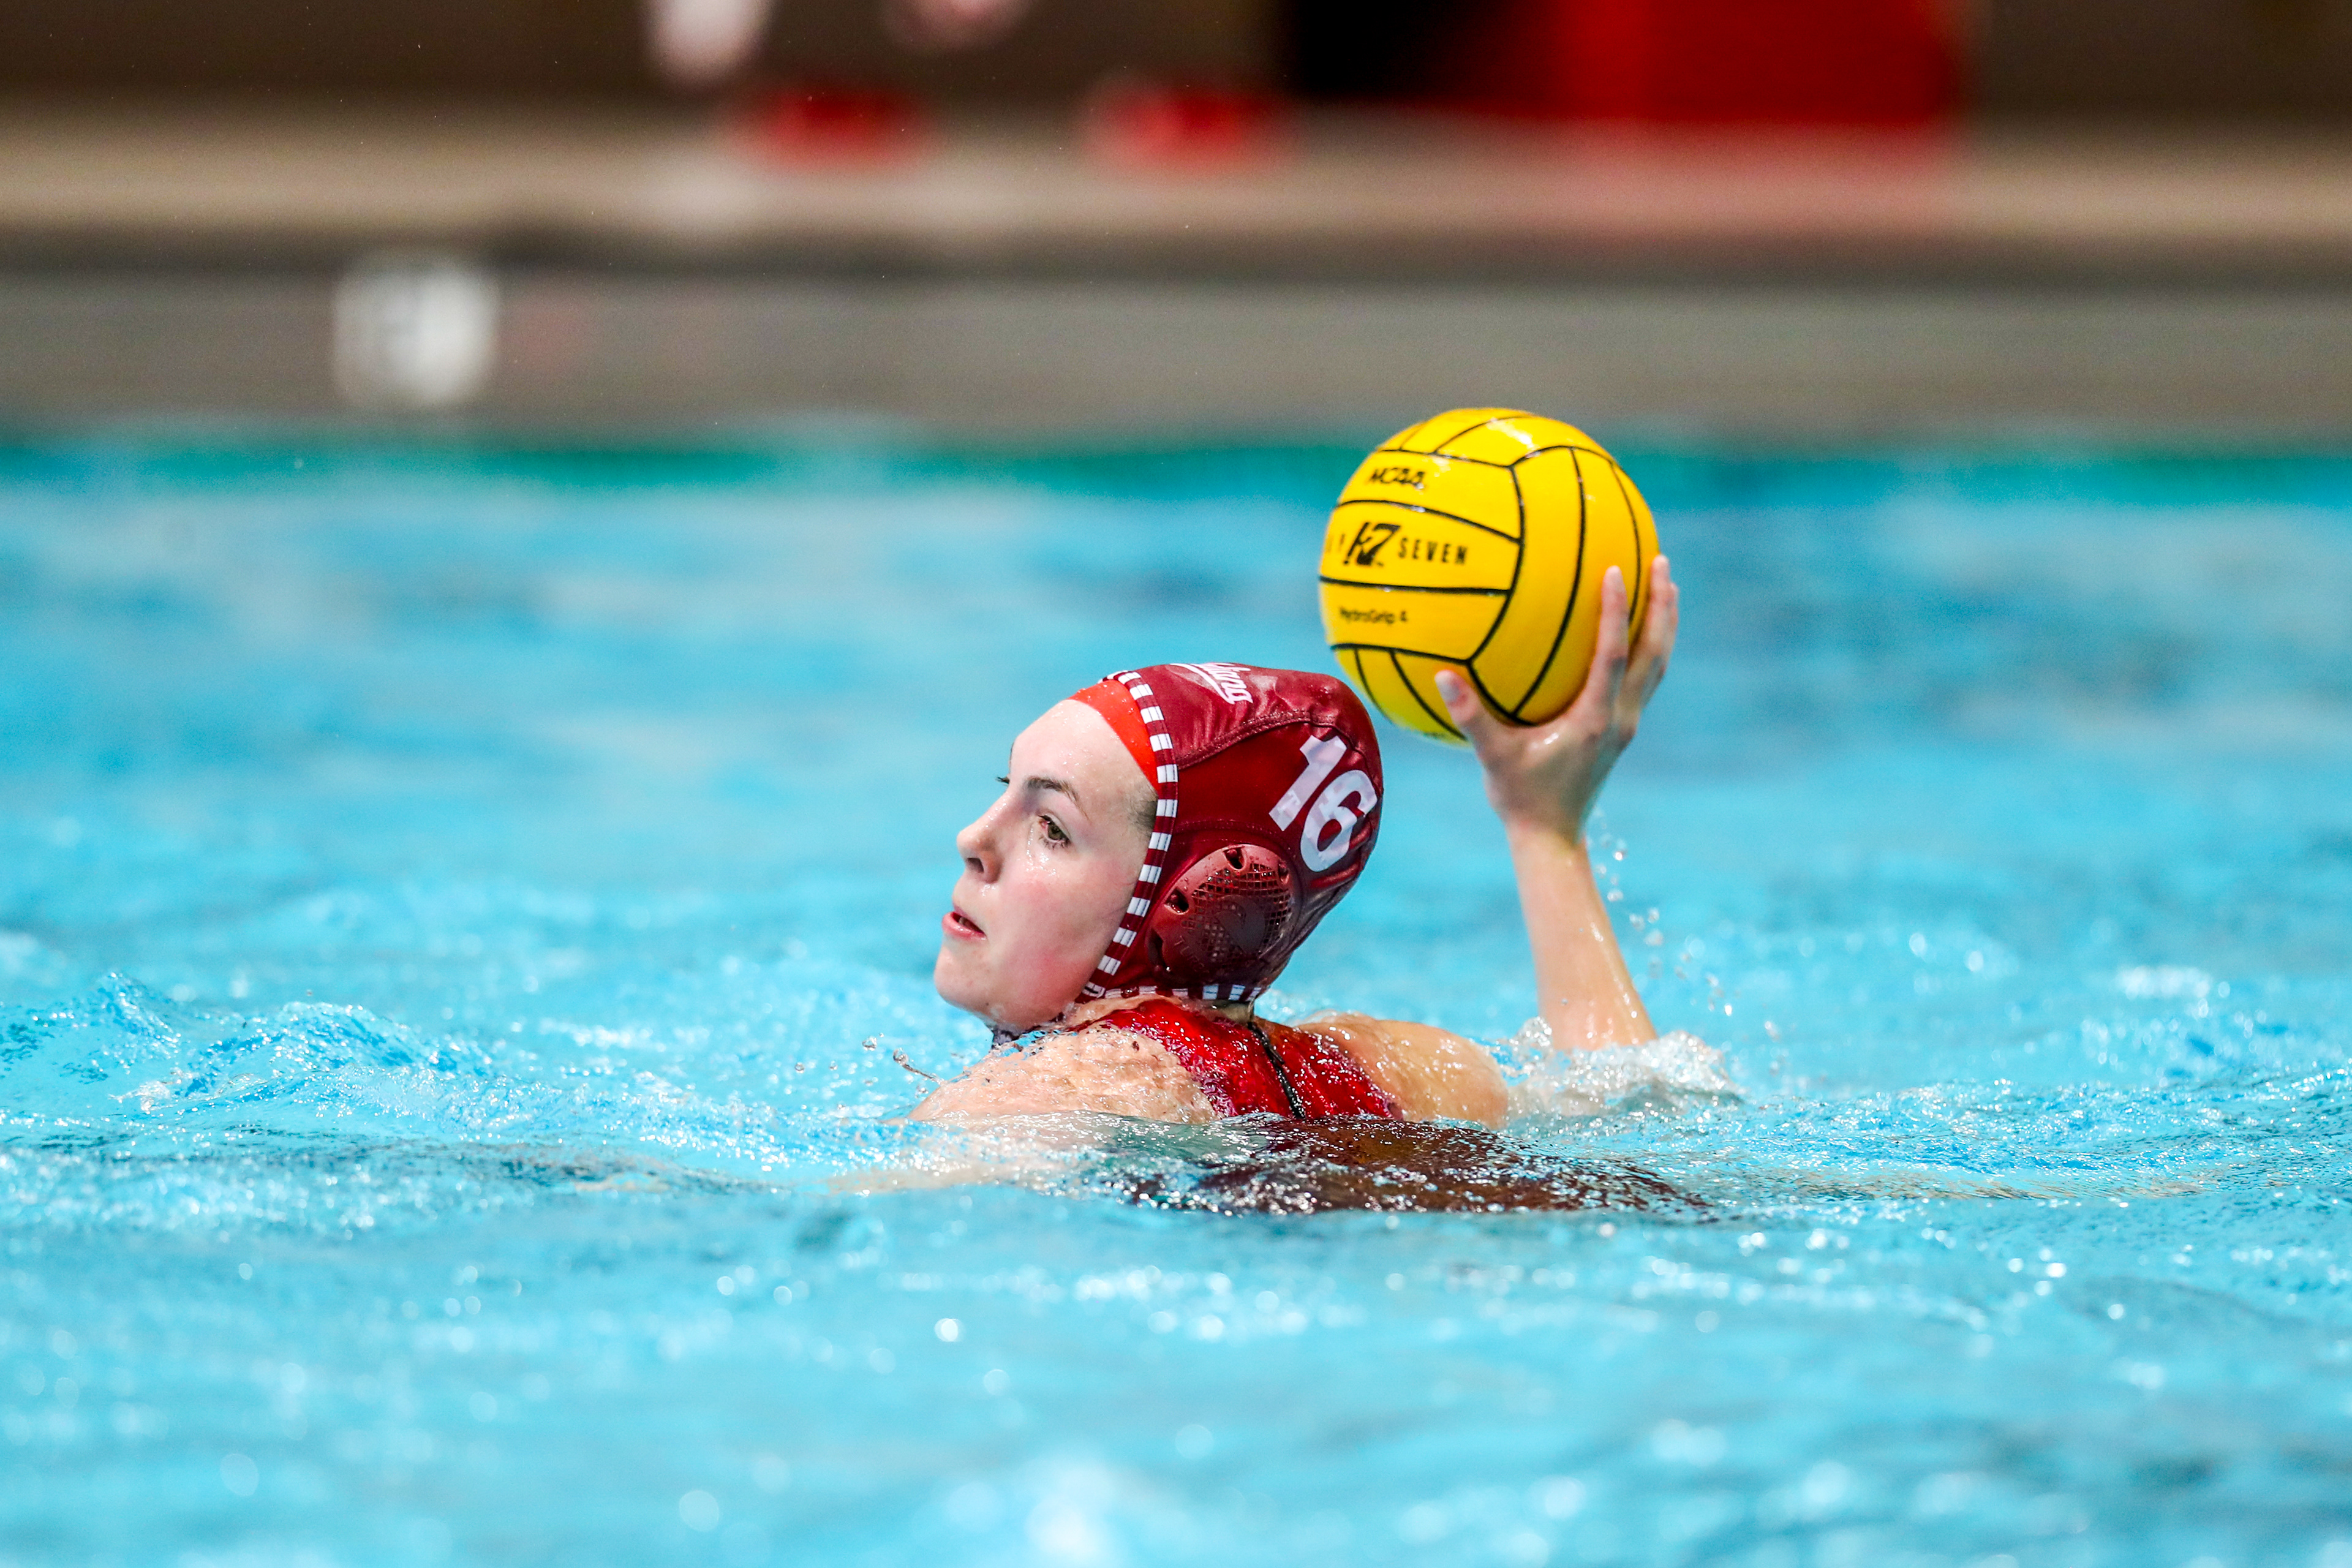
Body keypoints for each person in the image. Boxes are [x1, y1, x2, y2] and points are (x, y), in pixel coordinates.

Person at [913, 558, 1678, 1129]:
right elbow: (1641, 1096)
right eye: (1002, 786)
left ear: (1197, 906)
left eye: (1051, 828)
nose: (973, 839)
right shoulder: (1395, 1069)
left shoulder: (1051, 1095)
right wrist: (1546, 828)